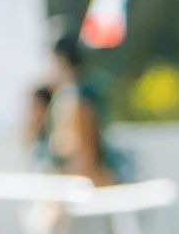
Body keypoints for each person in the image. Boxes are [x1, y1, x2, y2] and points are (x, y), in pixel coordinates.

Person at [23, 32, 117, 184]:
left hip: (83, 186)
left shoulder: (74, 98)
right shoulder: (82, 92)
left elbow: (84, 154)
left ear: (61, 60)